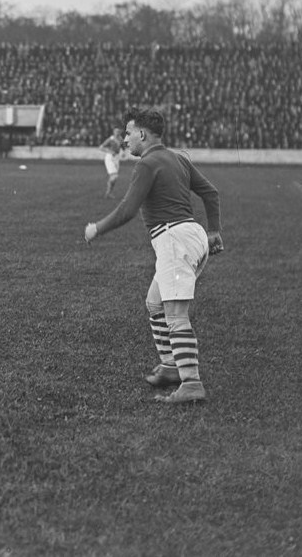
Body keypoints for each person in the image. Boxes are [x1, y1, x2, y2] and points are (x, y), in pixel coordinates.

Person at [83, 108, 224, 404]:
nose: (125, 140)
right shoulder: (179, 158)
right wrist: (213, 231)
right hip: (191, 236)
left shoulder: (146, 164)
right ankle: (171, 366)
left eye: (128, 133)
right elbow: (211, 193)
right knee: (155, 303)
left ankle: (192, 383)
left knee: (175, 315)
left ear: (142, 134)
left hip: (174, 239)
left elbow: (127, 210)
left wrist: (97, 228)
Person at [98, 127, 125, 198]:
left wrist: (123, 152)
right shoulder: (110, 139)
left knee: (114, 178)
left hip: (117, 158)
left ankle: (109, 193)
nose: (117, 132)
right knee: (114, 176)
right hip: (110, 158)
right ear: (113, 132)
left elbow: (123, 147)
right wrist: (110, 151)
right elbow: (101, 147)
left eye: (118, 131)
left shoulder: (120, 139)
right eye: (116, 131)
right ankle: (108, 192)